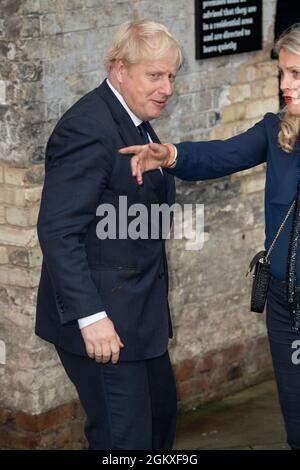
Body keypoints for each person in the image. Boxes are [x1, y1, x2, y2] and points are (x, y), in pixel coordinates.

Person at [120, 24, 300, 450]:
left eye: (296, 74)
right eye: (282, 74)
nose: (285, 84)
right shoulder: (278, 132)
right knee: (296, 417)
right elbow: (223, 154)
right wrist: (170, 155)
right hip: (284, 300)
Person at [36, 20, 183, 450]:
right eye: (155, 76)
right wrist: (91, 318)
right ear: (120, 70)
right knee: (124, 442)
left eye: (171, 76)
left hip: (142, 319)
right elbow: (58, 231)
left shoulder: (135, 120)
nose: (167, 88)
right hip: (104, 327)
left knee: (159, 423)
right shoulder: (88, 128)